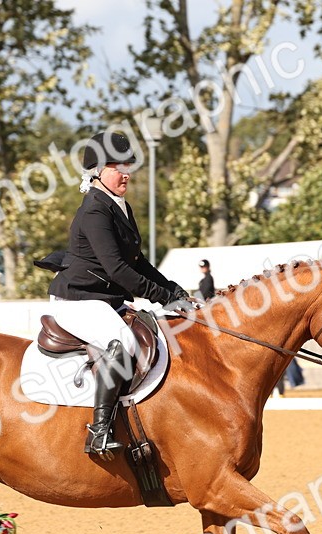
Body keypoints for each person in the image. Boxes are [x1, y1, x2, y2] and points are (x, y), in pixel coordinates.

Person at [48, 131, 196, 459]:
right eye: (117, 167)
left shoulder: (119, 206)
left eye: (127, 166)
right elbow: (118, 270)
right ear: (98, 171)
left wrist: (174, 291)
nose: (125, 173)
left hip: (102, 299)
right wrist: (162, 297)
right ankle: (99, 432)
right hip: (77, 300)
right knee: (122, 343)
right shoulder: (94, 210)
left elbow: (138, 262)